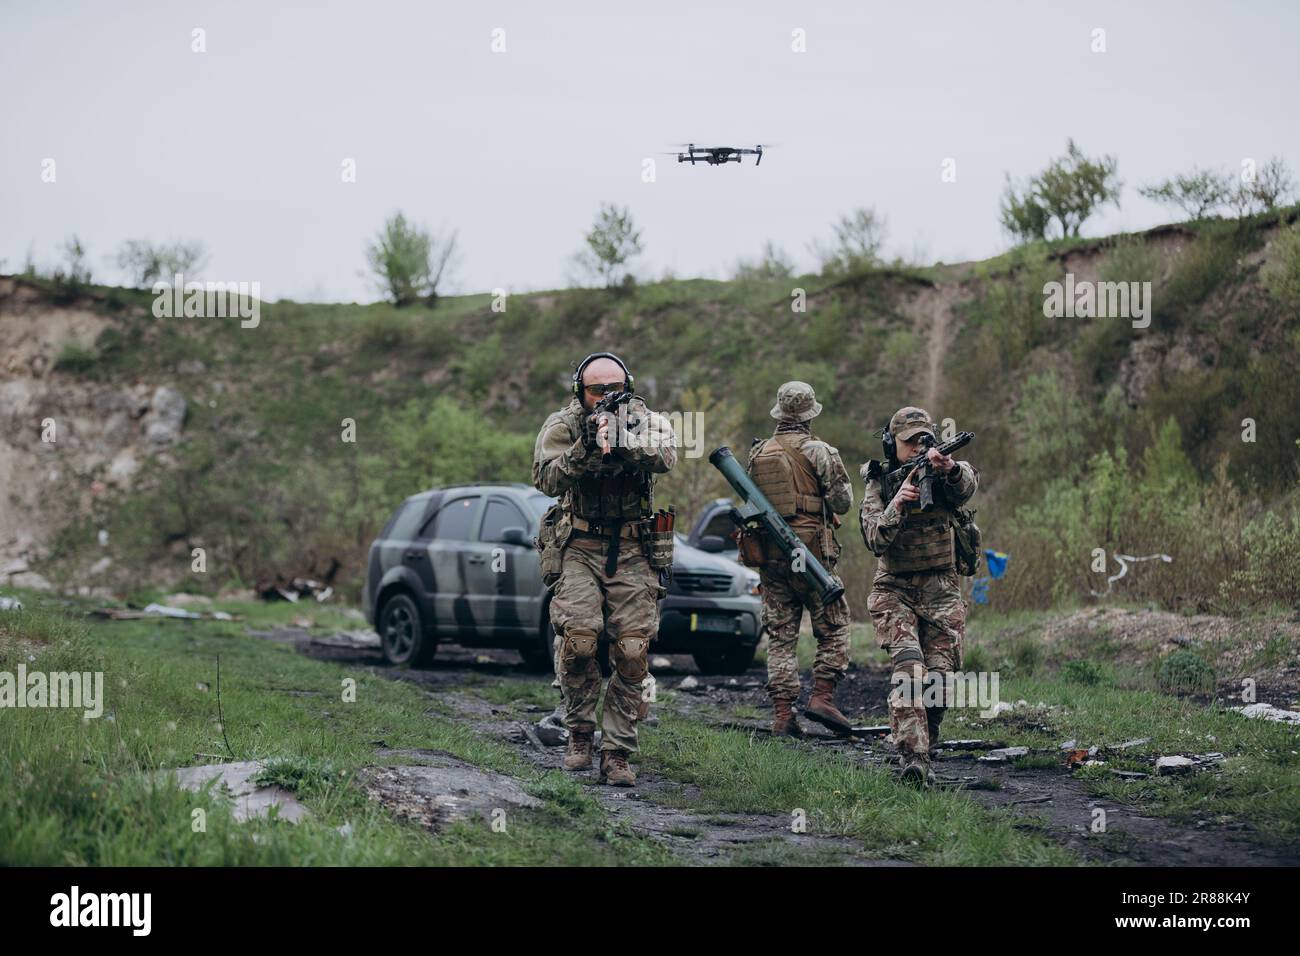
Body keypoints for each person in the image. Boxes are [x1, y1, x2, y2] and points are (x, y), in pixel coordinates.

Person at [532, 352, 676, 786]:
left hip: (633, 547)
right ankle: (579, 732)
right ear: (582, 391)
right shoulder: (565, 424)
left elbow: (666, 457)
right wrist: (585, 448)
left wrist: (625, 441)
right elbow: (544, 479)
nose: (606, 398)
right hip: (579, 544)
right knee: (578, 640)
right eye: (597, 390)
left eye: (615, 389)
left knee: (632, 653)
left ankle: (616, 752)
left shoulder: (647, 418)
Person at [859, 406, 978, 786]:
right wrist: (898, 505)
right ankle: (914, 758)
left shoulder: (944, 472)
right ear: (891, 443)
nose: (916, 448)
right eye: (908, 441)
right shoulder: (880, 484)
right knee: (911, 672)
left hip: (942, 590)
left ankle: (928, 739)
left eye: (922, 440)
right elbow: (874, 539)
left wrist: (951, 470)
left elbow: (968, 486)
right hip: (895, 591)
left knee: (940, 682)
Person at [745, 382, 854, 737]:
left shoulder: (758, 453)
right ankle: (822, 696)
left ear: (779, 412)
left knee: (780, 639)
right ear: (810, 414)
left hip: (773, 558)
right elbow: (842, 503)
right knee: (834, 628)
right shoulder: (821, 450)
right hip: (812, 559)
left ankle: (782, 716)